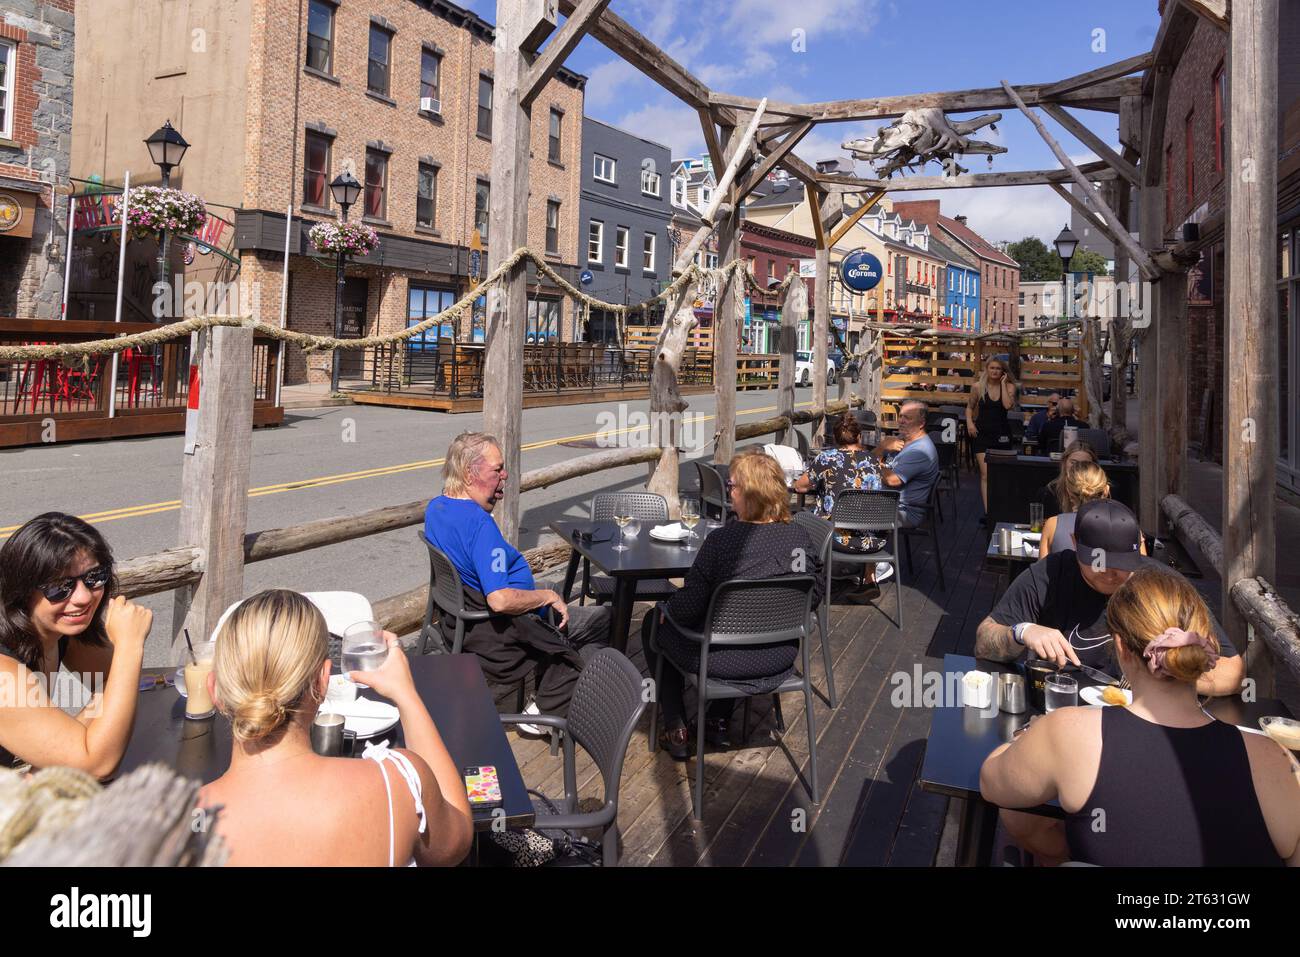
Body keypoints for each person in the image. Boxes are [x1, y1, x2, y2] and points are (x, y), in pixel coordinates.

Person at [980, 568, 1300, 866]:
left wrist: (1024, 737)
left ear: (1120, 647)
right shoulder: (1273, 760)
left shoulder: (1067, 734)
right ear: (1207, 647)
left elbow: (992, 783)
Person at [200, 590, 473, 866]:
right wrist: (406, 695)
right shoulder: (397, 784)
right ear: (322, 681)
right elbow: (455, 842)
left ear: (215, 691)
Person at [642, 451, 824, 760]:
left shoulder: (723, 542)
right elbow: (814, 594)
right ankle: (718, 720)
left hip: (720, 662)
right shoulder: (798, 536)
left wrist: (666, 611)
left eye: (732, 485)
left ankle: (676, 728)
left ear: (747, 493)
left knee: (653, 622)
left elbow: (687, 609)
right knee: (731, 627)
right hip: (780, 657)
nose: (729, 490)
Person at [424, 432, 610, 728]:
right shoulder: (479, 525)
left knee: (552, 590)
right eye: (497, 470)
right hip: (502, 628)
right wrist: (547, 599)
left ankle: (556, 681)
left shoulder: (437, 507)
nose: (505, 475)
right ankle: (547, 707)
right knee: (604, 618)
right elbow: (500, 599)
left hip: (458, 620)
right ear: (470, 474)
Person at [974, 499, 1243, 694]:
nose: (1111, 573)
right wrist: (1022, 632)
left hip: (1145, 714)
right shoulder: (1050, 574)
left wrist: (1170, 673)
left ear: (1140, 549)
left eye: (1123, 563)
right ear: (1075, 542)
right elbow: (984, 641)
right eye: (1098, 562)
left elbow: (1232, 670)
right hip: (1061, 706)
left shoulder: (1163, 586)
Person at [0, 512, 152, 777]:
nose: (82, 597)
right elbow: (96, 766)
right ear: (22, 590)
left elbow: (113, 681)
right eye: (60, 587)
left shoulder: (60, 629)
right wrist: (129, 645)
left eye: (95, 576)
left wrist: (68, 747)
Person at [793, 413, 890, 603]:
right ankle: (870, 579)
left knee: (802, 520)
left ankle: (810, 583)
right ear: (859, 437)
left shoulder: (826, 458)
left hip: (837, 539)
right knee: (867, 515)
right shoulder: (873, 461)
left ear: (835, 439)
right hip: (874, 541)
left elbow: (800, 486)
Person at [1038, 459, 1140, 558]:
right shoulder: (1130, 526)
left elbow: (1041, 572)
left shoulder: (1053, 525)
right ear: (1106, 490)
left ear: (1068, 492)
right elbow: (1143, 572)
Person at [965, 357, 1018, 521]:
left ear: (1003, 372)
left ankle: (1001, 508)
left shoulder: (1009, 387)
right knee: (985, 474)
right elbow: (969, 407)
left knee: (1002, 474)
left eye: (998, 369)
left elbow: (1008, 406)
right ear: (987, 369)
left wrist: (1002, 384)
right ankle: (989, 513)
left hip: (1002, 434)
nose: (995, 371)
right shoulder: (977, 387)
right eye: (992, 368)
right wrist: (970, 424)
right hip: (982, 434)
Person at [1035, 440, 1099, 520]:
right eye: (1073, 462)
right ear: (1064, 463)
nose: (1077, 467)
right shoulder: (1048, 493)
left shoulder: (1103, 493)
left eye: (1084, 464)